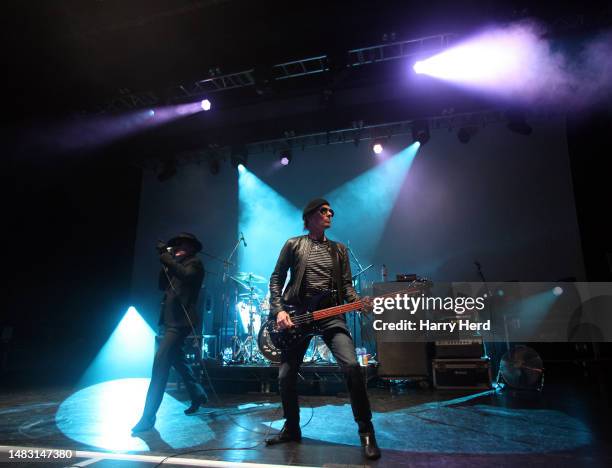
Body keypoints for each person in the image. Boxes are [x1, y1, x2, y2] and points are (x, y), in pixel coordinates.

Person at [265, 198, 381, 460]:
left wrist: (358, 302)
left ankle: (366, 433)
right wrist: (279, 310)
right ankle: (292, 429)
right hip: (297, 315)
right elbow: (276, 277)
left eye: (331, 211)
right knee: (285, 376)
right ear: (309, 217)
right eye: (323, 211)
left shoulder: (339, 250)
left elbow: (347, 286)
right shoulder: (293, 244)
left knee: (352, 366)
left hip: (329, 314)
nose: (329, 214)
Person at [132, 232, 208, 433]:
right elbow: (161, 285)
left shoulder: (195, 264)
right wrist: (166, 262)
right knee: (178, 360)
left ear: (191, 248)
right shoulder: (175, 266)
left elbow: (188, 276)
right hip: (169, 321)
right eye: (175, 246)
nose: (177, 248)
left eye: (182, 245)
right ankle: (197, 393)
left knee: (160, 365)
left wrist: (166, 257)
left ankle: (148, 417)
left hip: (181, 323)